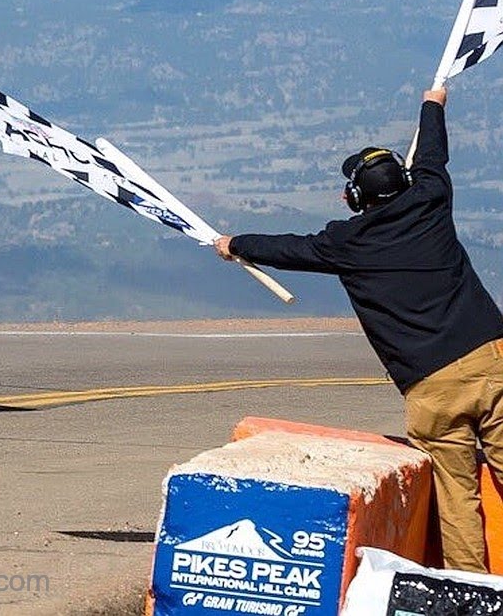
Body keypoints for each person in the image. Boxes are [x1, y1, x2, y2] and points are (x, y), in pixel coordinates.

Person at [214, 87, 503, 572]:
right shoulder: (432, 198)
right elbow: (434, 151)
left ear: (354, 197)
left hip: (432, 387)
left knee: (457, 500)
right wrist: (433, 104)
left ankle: (472, 595)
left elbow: (286, 248)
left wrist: (233, 242)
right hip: (491, 358)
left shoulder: (346, 242)